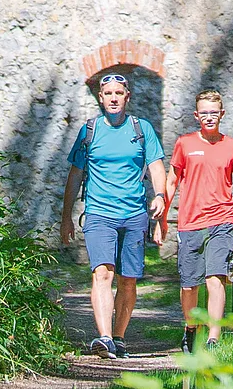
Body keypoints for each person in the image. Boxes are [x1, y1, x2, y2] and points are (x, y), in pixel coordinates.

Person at [59, 72, 165, 359]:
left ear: (127, 97)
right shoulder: (90, 131)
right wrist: (66, 216)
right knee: (102, 273)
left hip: (133, 215)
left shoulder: (141, 129)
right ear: (101, 98)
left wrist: (160, 196)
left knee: (128, 279)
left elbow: (156, 166)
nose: (114, 98)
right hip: (99, 213)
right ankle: (104, 337)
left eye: (119, 93)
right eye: (109, 94)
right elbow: (76, 174)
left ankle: (119, 337)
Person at [167, 89, 233, 351]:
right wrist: (162, 215)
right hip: (190, 222)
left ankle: (214, 337)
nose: (209, 117)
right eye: (204, 113)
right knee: (189, 286)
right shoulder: (185, 144)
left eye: (213, 113)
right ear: (196, 115)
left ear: (222, 114)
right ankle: (191, 328)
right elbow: (172, 181)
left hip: (222, 221)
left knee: (215, 278)